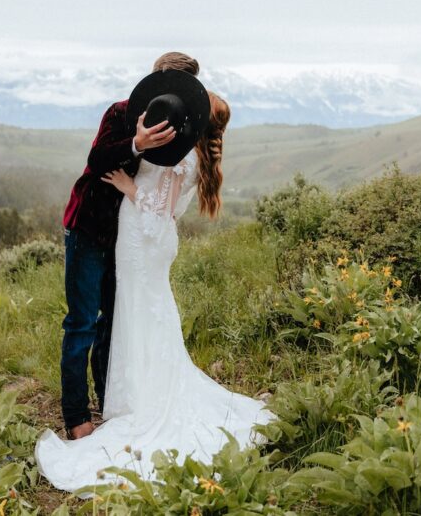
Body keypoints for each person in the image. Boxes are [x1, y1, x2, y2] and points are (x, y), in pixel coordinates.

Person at [37, 84, 274, 494]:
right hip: (130, 239)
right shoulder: (157, 132)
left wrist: (130, 189)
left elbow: (160, 213)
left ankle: (137, 401)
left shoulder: (181, 154)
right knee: (129, 315)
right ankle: (118, 400)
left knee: (133, 314)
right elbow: (111, 167)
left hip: (140, 239)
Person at [58, 52, 200, 441]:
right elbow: (97, 160)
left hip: (125, 241)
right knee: (82, 323)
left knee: (110, 322)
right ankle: (76, 416)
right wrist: (136, 144)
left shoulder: (180, 131)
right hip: (87, 229)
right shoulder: (120, 113)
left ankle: (110, 403)